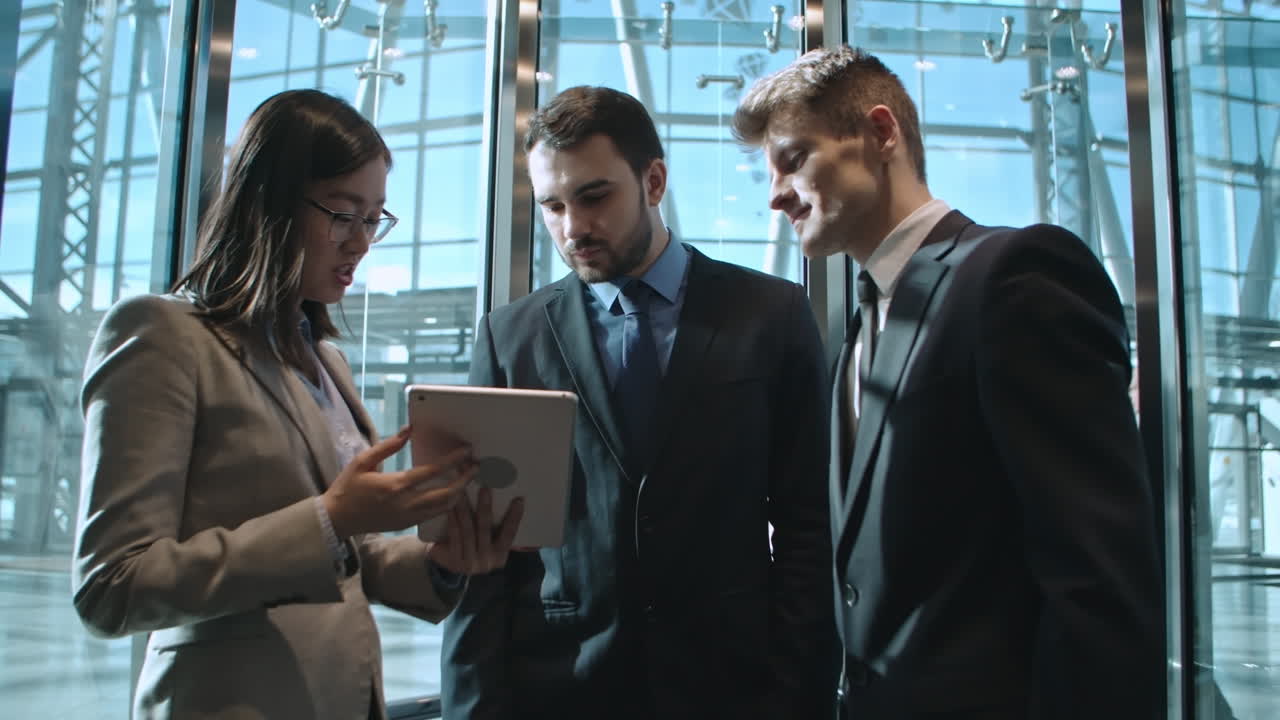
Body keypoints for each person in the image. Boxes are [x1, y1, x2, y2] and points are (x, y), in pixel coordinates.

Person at [733, 46, 1164, 719]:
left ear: (881, 133)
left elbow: (1098, 578)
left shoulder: (1014, 276)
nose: (775, 193)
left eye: (794, 159)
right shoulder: (862, 323)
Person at [72, 89, 523, 720]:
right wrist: (330, 519)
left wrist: (443, 562)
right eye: (344, 215)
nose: (361, 243)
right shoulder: (161, 336)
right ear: (270, 203)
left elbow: (350, 553)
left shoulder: (324, 360)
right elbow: (112, 586)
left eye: (375, 220)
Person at [440, 86, 838, 719]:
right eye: (553, 206)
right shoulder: (512, 337)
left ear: (653, 181)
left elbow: (809, 525)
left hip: (731, 688)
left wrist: (796, 693)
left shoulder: (771, 314)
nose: (573, 228)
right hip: (562, 689)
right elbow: (480, 556)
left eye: (594, 197)